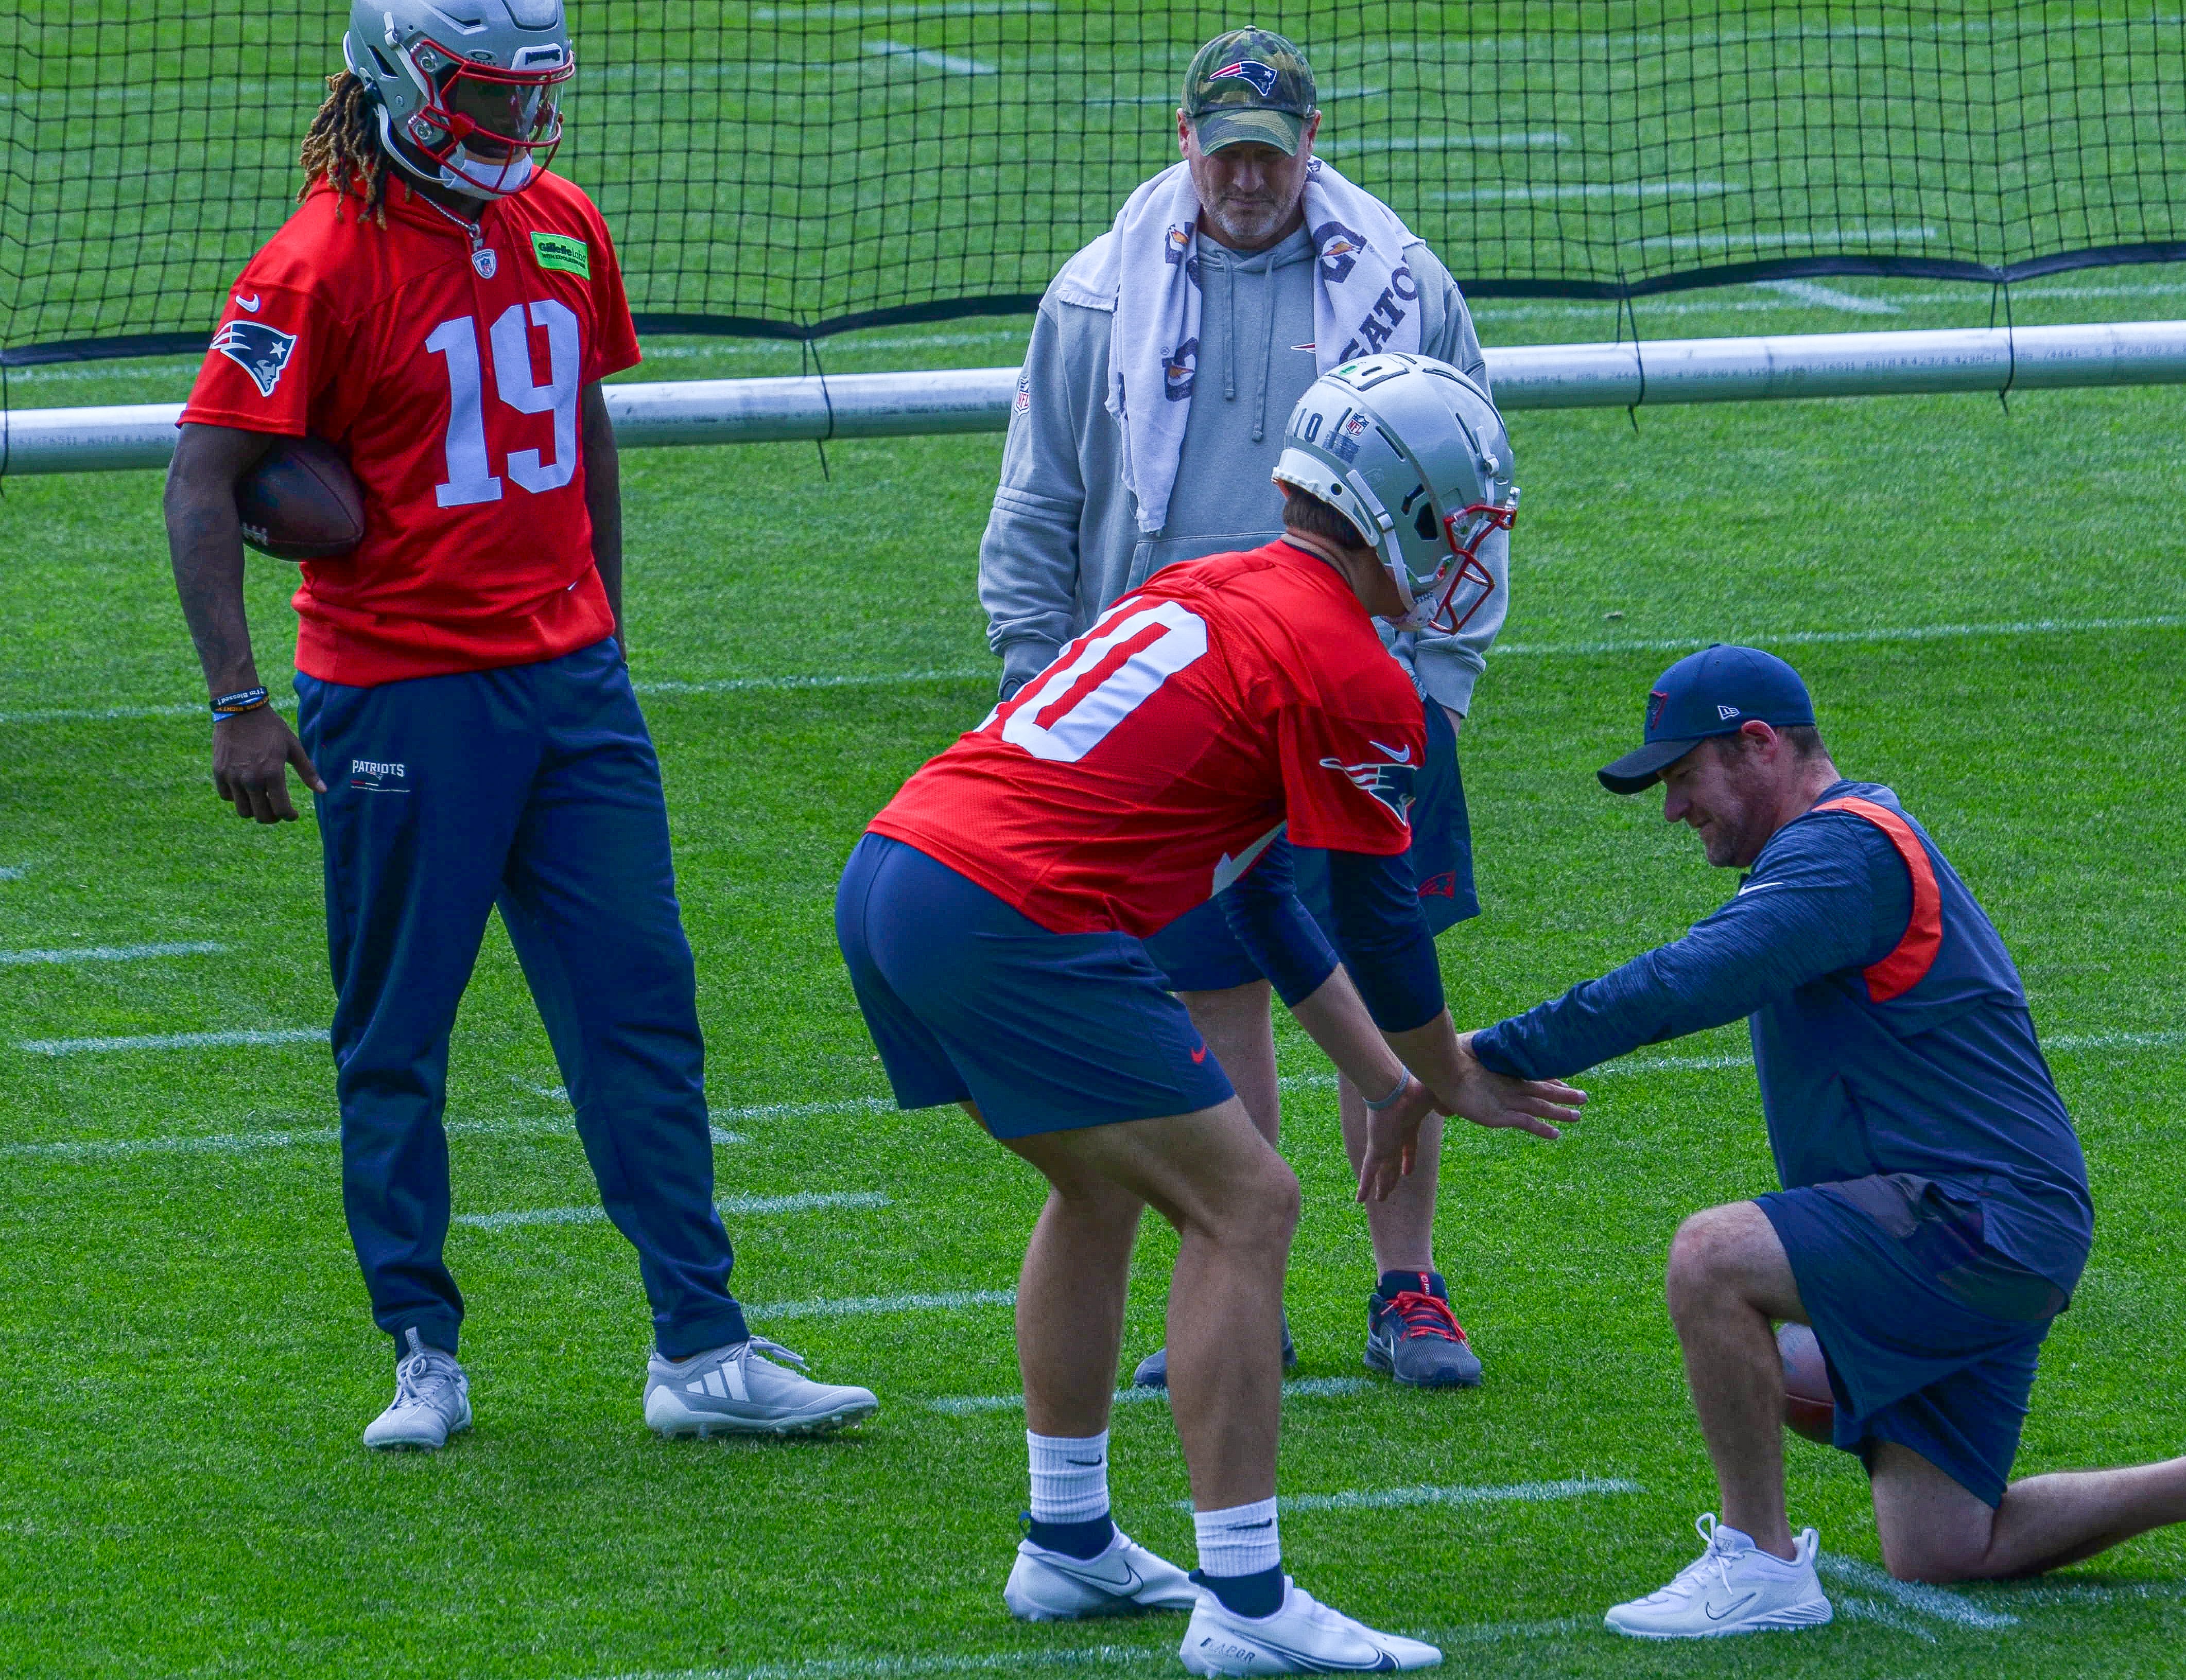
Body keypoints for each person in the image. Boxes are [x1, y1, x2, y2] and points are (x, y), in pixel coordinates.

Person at [162, 0, 872, 1451]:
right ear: (407, 84)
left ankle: (702, 1346)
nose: (517, 125)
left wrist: (601, 620)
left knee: (640, 1011)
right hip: (401, 689)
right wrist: (239, 701)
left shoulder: (562, 221)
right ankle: (422, 1348)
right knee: (399, 1030)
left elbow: (588, 423)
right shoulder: (315, 260)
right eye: (488, 95)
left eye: (529, 93)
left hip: (569, 687)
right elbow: (200, 482)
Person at [842, 355, 1578, 1671]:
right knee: (1250, 1203)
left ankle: (1065, 1542)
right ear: (1404, 508)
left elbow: (1256, 909)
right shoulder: (1348, 666)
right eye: (1462, 517)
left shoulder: (1211, 586)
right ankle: (1244, 1604)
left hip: (901, 874)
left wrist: (1391, 1081)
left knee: (1102, 1187)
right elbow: (1379, 920)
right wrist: (1450, 1068)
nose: (1469, 548)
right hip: (1010, 907)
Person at [1463, 645, 2186, 1639]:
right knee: (1945, 1547)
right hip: (2005, 1222)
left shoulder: (1841, 852)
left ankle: (1758, 1562)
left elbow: (1688, 983)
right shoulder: (1851, 845)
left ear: (1759, 745)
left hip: (1978, 1218)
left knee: (1713, 1259)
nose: (1674, 808)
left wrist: (1479, 1055)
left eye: (1684, 777)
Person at [979, 26, 1507, 1390]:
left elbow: (1472, 484)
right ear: (1185, 143)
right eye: (1228, 156)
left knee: (1389, 987)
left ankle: (1410, 1289)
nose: (1249, 182)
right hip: (1181, 711)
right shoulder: (1097, 298)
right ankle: (1242, 1274)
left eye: (1272, 156)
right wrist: (1045, 694)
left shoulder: (1404, 287)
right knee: (1215, 994)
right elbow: (1037, 511)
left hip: (1356, 692)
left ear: (1311, 149)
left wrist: (1435, 694)